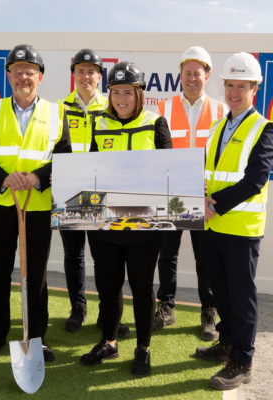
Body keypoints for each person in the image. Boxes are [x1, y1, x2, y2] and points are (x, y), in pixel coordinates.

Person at [0, 44, 71, 362]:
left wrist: (37, 177)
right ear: (8, 76)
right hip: (1, 204)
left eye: (30, 71)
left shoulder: (57, 112)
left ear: (40, 77)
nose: (23, 77)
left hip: (39, 206)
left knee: (35, 274)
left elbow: (64, 157)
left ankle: (36, 337)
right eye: (17, 71)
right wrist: (4, 179)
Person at [80, 61, 172, 377]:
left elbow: (169, 171)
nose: (121, 98)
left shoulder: (156, 122)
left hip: (144, 226)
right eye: (115, 92)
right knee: (107, 286)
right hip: (105, 224)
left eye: (127, 92)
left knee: (142, 287)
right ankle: (109, 341)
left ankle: (143, 349)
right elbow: (89, 172)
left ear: (138, 94)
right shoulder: (99, 124)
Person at [195, 53, 273, 390]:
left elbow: (256, 179)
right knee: (221, 293)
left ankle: (242, 361)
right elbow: (208, 173)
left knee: (242, 297)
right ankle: (226, 342)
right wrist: (199, 195)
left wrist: (217, 205)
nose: (234, 91)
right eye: (229, 85)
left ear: (255, 89)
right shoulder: (217, 126)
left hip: (240, 230)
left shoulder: (264, 129)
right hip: (212, 226)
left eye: (242, 86)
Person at [154, 46, 228, 340]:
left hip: (204, 196)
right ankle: (166, 306)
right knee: (167, 254)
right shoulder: (163, 108)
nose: (192, 78)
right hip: (172, 194)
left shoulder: (222, 110)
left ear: (207, 76)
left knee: (205, 257)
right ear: (180, 76)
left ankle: (208, 310)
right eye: (187, 73)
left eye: (198, 73)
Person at [58, 49, 130, 337]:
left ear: (100, 76)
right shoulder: (58, 107)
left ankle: (107, 312)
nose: (85, 76)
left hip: (104, 195)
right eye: (80, 71)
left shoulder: (113, 107)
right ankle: (78, 308)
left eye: (91, 71)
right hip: (70, 192)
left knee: (105, 257)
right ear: (73, 74)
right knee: (73, 254)